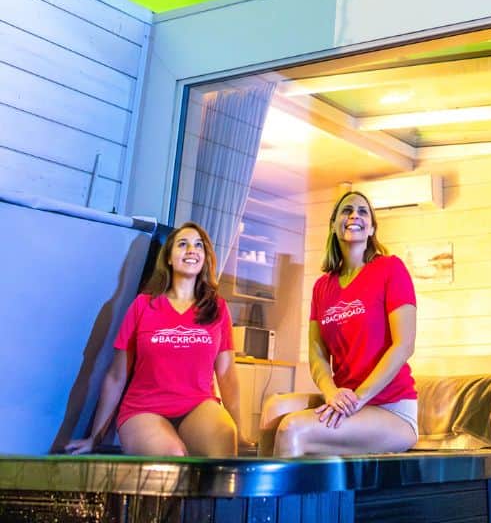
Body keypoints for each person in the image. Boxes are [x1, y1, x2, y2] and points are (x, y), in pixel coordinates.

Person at [67, 222, 250, 457]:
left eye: (198, 246)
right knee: (173, 455)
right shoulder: (143, 305)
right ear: (170, 258)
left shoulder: (217, 308)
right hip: (144, 409)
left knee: (225, 437)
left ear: (205, 258)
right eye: (182, 244)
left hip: (197, 405)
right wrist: (95, 437)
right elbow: (116, 375)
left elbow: (227, 375)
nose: (191, 250)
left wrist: (239, 430)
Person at [259, 189, 417, 457]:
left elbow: (404, 345)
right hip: (346, 400)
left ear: (371, 228)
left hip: (390, 409)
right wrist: (331, 392)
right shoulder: (323, 286)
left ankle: (288, 501)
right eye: (346, 210)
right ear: (333, 225)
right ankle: (258, 498)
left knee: (292, 428)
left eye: (363, 211)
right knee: (274, 408)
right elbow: (317, 353)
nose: (354, 215)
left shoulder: (390, 269)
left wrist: (358, 399)